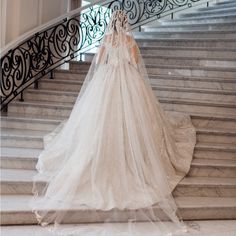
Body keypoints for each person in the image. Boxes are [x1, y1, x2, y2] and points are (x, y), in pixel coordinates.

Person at [30, 10, 196, 236]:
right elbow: (136, 64)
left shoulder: (107, 40)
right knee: (137, 125)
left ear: (111, 24)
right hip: (129, 85)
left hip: (106, 85)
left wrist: (110, 60)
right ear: (125, 24)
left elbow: (98, 62)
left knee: (99, 126)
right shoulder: (130, 41)